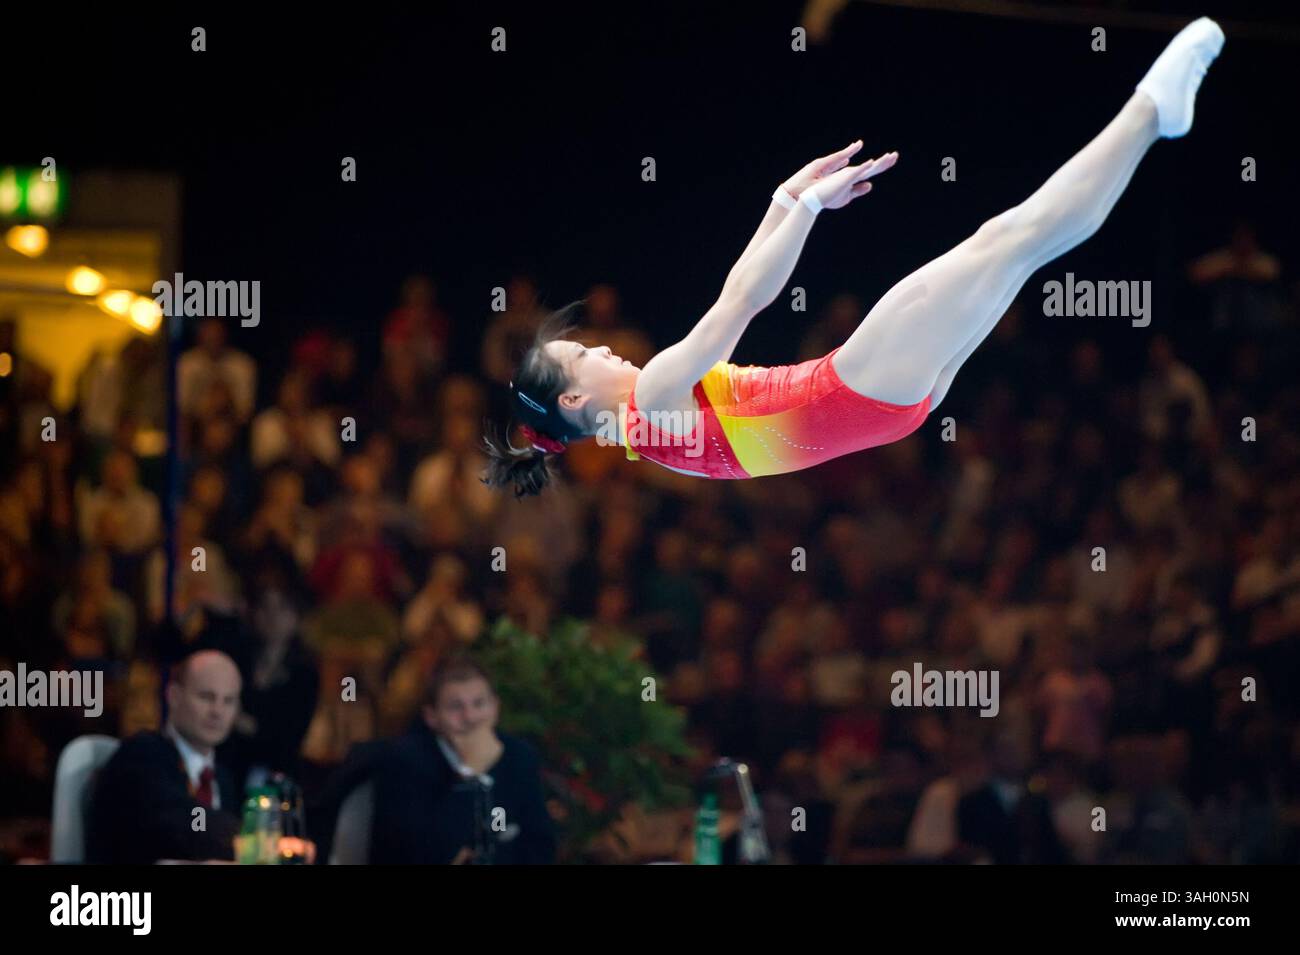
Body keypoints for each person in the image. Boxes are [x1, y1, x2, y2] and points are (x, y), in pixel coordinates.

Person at [482, 18, 1225, 496]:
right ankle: (1154, 111)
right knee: (1011, 238)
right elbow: (739, 304)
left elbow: (738, 294)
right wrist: (802, 212)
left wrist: (782, 202)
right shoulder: (647, 406)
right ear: (576, 401)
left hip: (881, 400)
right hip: (855, 382)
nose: (605, 347)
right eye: (584, 356)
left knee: (1019, 248)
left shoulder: (647, 434)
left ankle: (1155, 117)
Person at [369, 656, 556, 864]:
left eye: (479, 703)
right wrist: (470, 771)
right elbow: (421, 853)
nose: (470, 717)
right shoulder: (405, 762)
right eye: (455, 707)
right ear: (432, 716)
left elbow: (540, 845)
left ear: (495, 707)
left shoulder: (519, 755)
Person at [86, 649, 243, 864]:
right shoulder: (142, 754)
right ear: (174, 696)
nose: (217, 711)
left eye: (228, 701)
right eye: (206, 697)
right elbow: (180, 822)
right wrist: (252, 836)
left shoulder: (223, 779)